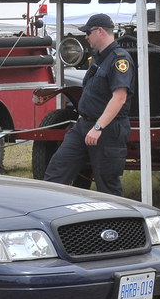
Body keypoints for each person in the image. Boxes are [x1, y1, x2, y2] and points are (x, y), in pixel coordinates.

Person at [44, 13, 134, 196]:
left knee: (107, 185)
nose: (86, 37)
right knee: (56, 171)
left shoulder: (119, 59)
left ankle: (117, 223)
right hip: (84, 125)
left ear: (100, 31)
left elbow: (119, 98)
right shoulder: (99, 58)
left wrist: (98, 127)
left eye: (89, 32)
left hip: (107, 129)